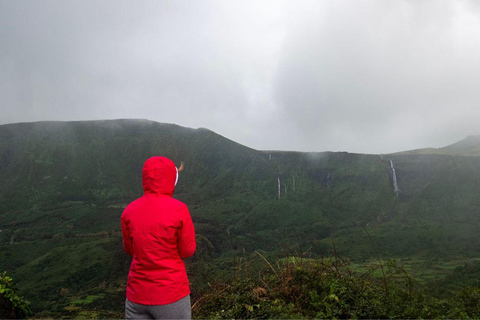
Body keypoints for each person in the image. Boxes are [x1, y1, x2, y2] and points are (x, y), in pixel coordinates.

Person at [121, 156, 196, 319]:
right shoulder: (179, 210)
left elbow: (130, 250)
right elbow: (187, 250)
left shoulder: (129, 211)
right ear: (170, 179)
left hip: (137, 295)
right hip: (171, 294)